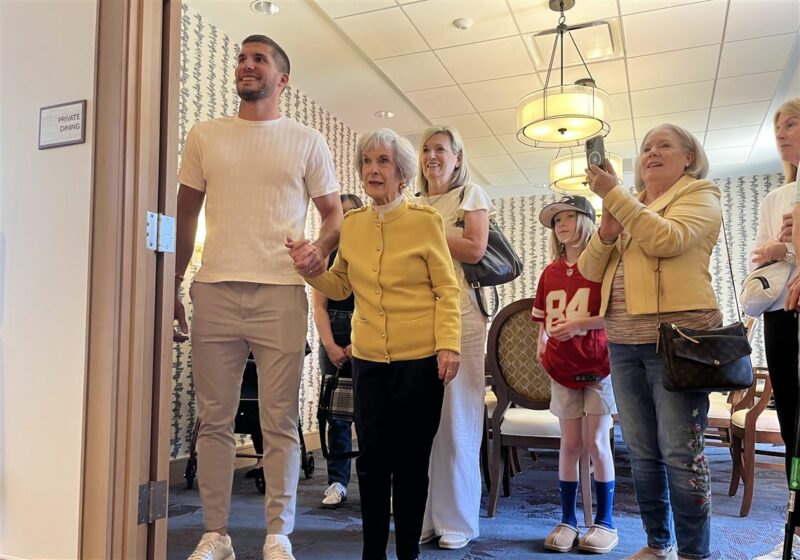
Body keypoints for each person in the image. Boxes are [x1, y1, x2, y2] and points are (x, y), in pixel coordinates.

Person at [174, 34, 343, 560]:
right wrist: (171, 287)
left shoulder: (307, 140)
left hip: (282, 291)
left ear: (282, 79)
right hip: (216, 288)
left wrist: (318, 251)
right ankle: (216, 533)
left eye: (259, 59)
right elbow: (183, 216)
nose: (247, 65)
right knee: (214, 419)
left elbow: (334, 214)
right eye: (242, 59)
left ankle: (278, 533)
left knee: (279, 420)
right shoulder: (205, 136)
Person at [288, 128, 461, 560]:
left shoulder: (426, 221)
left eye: (383, 161)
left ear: (402, 174)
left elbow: (447, 289)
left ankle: (407, 552)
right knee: (372, 461)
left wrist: (449, 346)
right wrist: (310, 269)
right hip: (368, 361)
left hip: (420, 361)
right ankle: (372, 553)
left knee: (410, 463)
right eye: (367, 161)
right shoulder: (354, 225)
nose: (372, 169)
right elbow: (341, 283)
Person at [579, 124, 720, 560]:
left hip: (678, 341)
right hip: (622, 342)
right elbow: (588, 270)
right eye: (645, 147)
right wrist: (605, 229)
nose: (651, 153)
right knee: (641, 453)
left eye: (664, 146)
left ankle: (695, 553)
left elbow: (666, 239)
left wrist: (614, 195)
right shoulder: (630, 206)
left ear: (688, 158)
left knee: (682, 453)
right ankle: (659, 544)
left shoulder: (701, 193)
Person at [414, 125, 491, 550]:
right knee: (422, 419)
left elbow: (475, 249)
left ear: (457, 157)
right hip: (418, 315)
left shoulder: (470, 196)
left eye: (440, 149)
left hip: (461, 314)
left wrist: (423, 236)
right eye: (425, 149)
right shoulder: (413, 203)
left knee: (457, 415)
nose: (431, 156)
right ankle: (425, 513)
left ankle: (457, 519)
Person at [533, 195, 618, 554]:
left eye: (569, 216)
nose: (562, 224)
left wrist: (579, 324)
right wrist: (541, 342)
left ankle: (606, 521)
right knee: (569, 444)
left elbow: (615, 314)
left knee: (598, 443)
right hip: (562, 365)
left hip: (598, 364)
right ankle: (567, 517)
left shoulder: (602, 266)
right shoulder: (550, 272)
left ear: (586, 220)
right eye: (556, 221)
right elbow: (541, 320)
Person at [751, 97, 800, 560]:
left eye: (792, 124)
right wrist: (778, 249)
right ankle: (797, 533)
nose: (782, 133)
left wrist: (790, 248)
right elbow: (761, 260)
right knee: (793, 424)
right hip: (781, 315)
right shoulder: (775, 199)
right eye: (778, 127)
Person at [313, 193, 364, 509]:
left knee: (371, 413)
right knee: (337, 415)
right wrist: (330, 345)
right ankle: (337, 482)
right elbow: (318, 305)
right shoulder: (325, 254)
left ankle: (375, 482)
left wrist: (358, 343)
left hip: (366, 333)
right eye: (340, 213)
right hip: (332, 332)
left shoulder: (367, 253)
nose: (345, 218)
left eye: (351, 213)